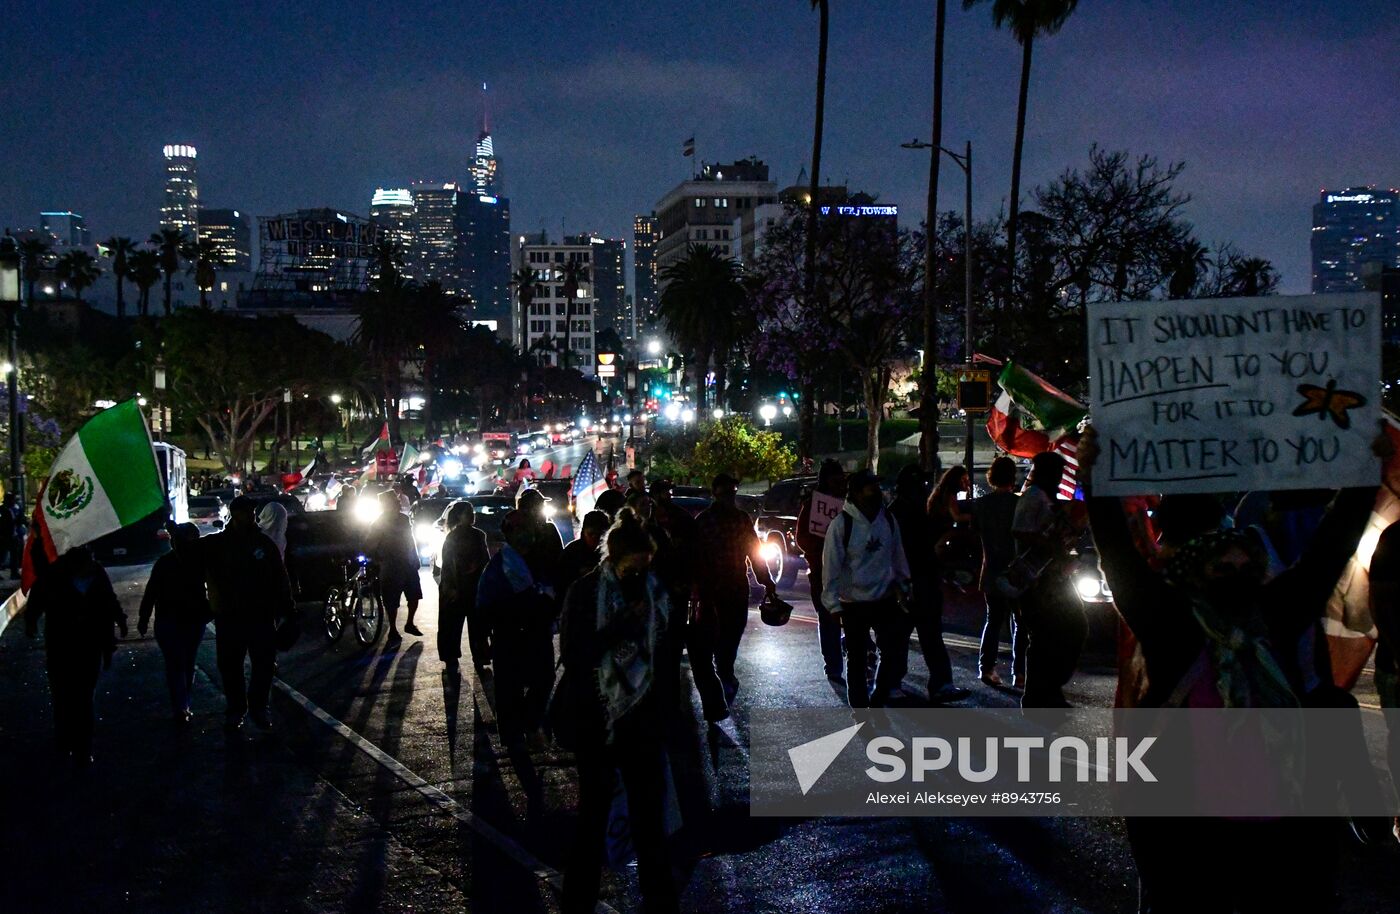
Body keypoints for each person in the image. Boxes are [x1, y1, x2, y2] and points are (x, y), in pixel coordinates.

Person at [1080, 426, 1384, 910]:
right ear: (1193, 575)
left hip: (1284, 836)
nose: (1237, 577)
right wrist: (1093, 478)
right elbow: (1118, 557)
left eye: (1246, 569)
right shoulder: (1171, 627)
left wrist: (1366, 472)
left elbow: (1330, 549)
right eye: (1223, 568)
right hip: (1191, 838)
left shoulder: (1276, 616)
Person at [558, 509, 680, 913]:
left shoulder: (656, 593)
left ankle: (659, 901)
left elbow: (666, 659)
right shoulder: (585, 593)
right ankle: (578, 903)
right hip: (598, 720)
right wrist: (620, 628)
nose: (639, 577)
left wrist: (669, 716)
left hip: (643, 723)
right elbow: (574, 655)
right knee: (592, 819)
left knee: (649, 822)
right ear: (613, 560)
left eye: (646, 568)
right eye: (632, 570)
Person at [25, 546, 125, 764]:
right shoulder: (54, 575)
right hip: (62, 646)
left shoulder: (96, 572)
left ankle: (82, 745)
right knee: (63, 695)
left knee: (84, 696)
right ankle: (66, 739)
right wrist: (31, 620)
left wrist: (120, 620)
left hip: (90, 645)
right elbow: (37, 599)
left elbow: (109, 599)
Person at [821, 470, 911, 710]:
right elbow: (831, 567)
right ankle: (860, 709)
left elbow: (897, 555)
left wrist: (904, 584)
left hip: (884, 599)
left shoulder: (888, 520)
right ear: (857, 493)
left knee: (891, 653)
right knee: (857, 659)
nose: (878, 492)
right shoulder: (842, 525)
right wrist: (833, 605)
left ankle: (878, 700)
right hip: (853, 603)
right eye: (872, 487)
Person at [204, 496, 294, 733]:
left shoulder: (263, 543)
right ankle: (236, 709)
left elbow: (280, 577)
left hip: (260, 615)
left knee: (263, 665)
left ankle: (258, 707)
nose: (251, 516)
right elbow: (191, 560)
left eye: (252, 512)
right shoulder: (218, 544)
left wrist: (288, 609)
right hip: (229, 617)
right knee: (230, 666)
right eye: (246, 512)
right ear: (235, 514)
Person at [691, 473, 776, 722]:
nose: (729, 497)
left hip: (735, 587)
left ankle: (726, 675)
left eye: (732, 493)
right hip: (712, 591)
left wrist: (766, 580)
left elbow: (754, 552)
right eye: (725, 493)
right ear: (715, 494)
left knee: (731, 637)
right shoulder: (705, 522)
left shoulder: (740, 519)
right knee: (717, 639)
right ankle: (724, 677)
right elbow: (695, 559)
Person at [889, 465, 969, 704]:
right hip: (909, 583)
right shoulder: (900, 513)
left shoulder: (912, 510)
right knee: (905, 637)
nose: (924, 488)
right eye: (920, 484)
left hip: (921, 581)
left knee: (926, 636)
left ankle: (937, 684)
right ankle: (894, 683)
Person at [477, 513, 558, 746]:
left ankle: (529, 725)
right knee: (508, 688)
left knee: (544, 679)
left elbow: (552, 591)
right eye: (519, 529)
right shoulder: (498, 566)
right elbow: (484, 604)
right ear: (509, 534)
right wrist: (482, 637)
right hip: (509, 634)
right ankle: (513, 737)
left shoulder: (539, 560)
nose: (525, 534)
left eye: (527, 529)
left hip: (537, 631)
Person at [1012, 451, 1084, 708]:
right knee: (1048, 637)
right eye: (1057, 473)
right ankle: (1039, 695)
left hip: (1055, 577)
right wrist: (1052, 545)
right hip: (1038, 580)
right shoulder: (1033, 497)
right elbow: (1020, 532)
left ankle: (1047, 690)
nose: (1060, 478)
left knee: (1065, 632)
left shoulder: (1045, 498)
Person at [138, 524, 211, 722]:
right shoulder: (183, 562)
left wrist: (144, 618)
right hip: (178, 620)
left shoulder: (183, 561)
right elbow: (151, 592)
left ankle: (182, 704)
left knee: (181, 664)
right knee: (181, 663)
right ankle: (182, 705)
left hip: (182, 620)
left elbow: (151, 592)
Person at [971, 456, 1027, 687]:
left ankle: (987, 668)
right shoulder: (1019, 504)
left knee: (993, 620)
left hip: (992, 568)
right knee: (1020, 622)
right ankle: (1019, 672)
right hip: (1016, 570)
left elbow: (974, 533)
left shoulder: (981, 505)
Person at [795, 459, 848, 681]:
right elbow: (802, 539)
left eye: (841, 480)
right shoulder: (813, 507)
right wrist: (823, 551)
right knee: (828, 619)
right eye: (835, 481)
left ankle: (849, 651)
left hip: (848, 573)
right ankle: (833, 665)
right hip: (822, 573)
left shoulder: (849, 505)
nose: (840, 485)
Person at [436, 500, 490, 676]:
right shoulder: (454, 537)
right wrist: (451, 587)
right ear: (460, 516)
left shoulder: (478, 535)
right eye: (468, 512)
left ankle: (475, 657)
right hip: (458, 586)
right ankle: (456, 657)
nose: (472, 515)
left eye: (472, 512)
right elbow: (448, 565)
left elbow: (485, 560)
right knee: (457, 626)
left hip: (470, 586)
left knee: (473, 626)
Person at [365, 490, 423, 640]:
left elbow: (410, 539)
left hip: (407, 563)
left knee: (414, 595)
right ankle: (393, 628)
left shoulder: (403, 519)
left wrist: (415, 557)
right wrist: (376, 560)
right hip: (390, 565)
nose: (398, 504)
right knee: (392, 601)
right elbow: (371, 544)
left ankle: (409, 623)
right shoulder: (378, 523)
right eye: (395, 502)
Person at [510, 487, 564, 590]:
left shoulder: (549, 528)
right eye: (540, 505)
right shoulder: (518, 531)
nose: (542, 508)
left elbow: (559, 557)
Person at [558, 510, 610, 603]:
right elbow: (562, 584)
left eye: (600, 535)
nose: (595, 538)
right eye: (591, 534)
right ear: (584, 532)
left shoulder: (608, 552)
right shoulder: (572, 552)